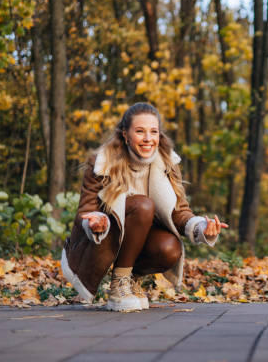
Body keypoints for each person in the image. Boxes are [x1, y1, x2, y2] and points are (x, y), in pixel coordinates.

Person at [61, 102, 228, 312]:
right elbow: (85, 210)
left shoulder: (167, 163)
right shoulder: (102, 162)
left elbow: (179, 211)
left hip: (138, 240)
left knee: (170, 248)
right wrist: (97, 221)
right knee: (143, 205)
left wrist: (201, 227)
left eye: (153, 132)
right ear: (125, 135)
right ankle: (118, 286)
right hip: (104, 240)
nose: (148, 139)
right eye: (140, 131)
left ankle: (130, 279)